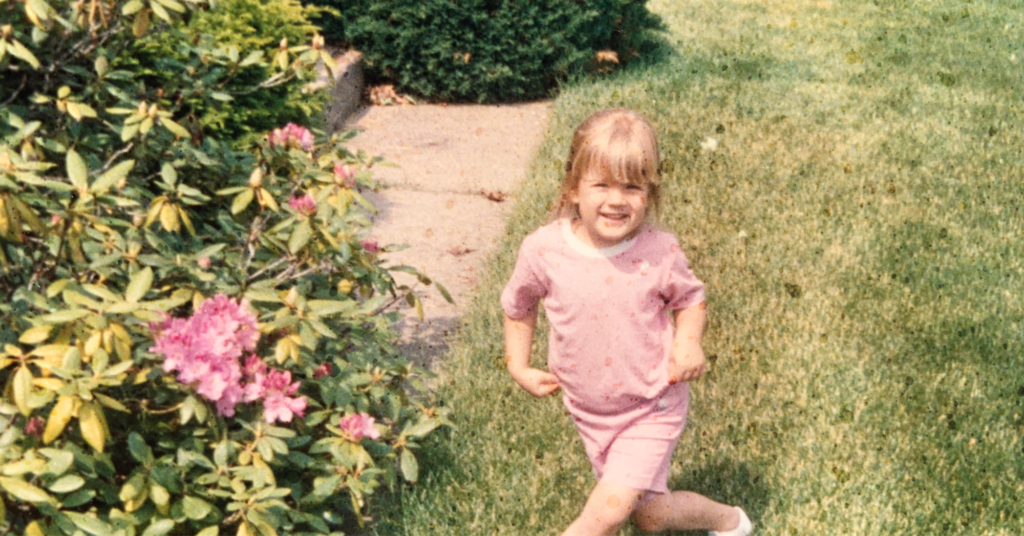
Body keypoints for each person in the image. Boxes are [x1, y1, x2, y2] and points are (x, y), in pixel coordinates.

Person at [501, 109, 753, 536]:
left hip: (652, 403)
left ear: (649, 194)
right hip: (589, 409)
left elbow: (691, 299)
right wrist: (518, 365)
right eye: (601, 184)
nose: (616, 200)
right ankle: (729, 521)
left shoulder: (659, 251)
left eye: (632, 187)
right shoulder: (543, 250)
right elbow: (518, 306)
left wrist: (688, 344)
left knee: (608, 512)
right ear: (573, 188)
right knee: (649, 516)